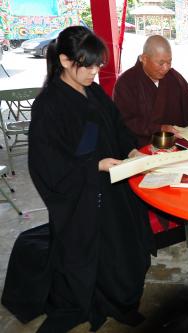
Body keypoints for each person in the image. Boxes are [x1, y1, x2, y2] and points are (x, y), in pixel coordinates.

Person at [1, 26, 155, 332]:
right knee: (96, 253)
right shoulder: (49, 106)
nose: (95, 72)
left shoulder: (94, 91)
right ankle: (100, 298)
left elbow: (116, 125)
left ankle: (120, 298)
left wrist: (131, 150)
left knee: (129, 247)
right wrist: (94, 166)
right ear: (65, 60)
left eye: (99, 65)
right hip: (82, 195)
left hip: (113, 184)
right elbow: (46, 165)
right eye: (88, 65)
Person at [113, 35, 188, 147]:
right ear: (145, 59)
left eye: (169, 62)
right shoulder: (126, 82)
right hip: (142, 149)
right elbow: (126, 121)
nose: (166, 68)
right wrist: (160, 128)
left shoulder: (173, 77)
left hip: (177, 145)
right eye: (161, 63)